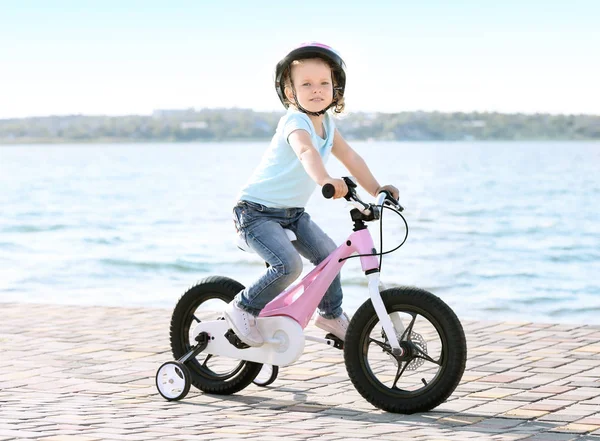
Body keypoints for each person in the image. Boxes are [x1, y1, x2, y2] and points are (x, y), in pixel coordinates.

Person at [225, 42, 399, 347]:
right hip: (255, 212)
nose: (316, 90)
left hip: (292, 213)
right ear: (291, 93)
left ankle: (331, 314)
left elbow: (352, 158)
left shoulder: (328, 125)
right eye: (306, 84)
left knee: (330, 257)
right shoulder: (295, 121)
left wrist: (377, 189)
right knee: (288, 265)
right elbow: (305, 151)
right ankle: (243, 306)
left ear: (336, 89)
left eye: (324, 84)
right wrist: (325, 180)